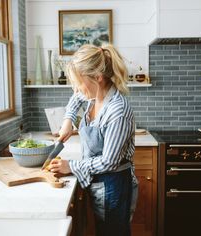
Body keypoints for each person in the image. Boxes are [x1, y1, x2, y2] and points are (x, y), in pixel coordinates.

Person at [49, 44, 138, 236]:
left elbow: (109, 161)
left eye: (79, 82)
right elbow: (76, 97)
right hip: (98, 182)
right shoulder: (92, 95)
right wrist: (68, 120)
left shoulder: (118, 111)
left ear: (98, 77)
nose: (76, 88)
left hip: (114, 185)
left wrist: (71, 166)